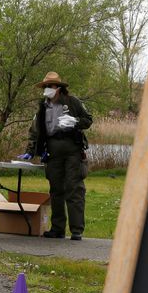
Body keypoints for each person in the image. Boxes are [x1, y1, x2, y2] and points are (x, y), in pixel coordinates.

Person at [19, 71, 92, 240]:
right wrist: (30, 151)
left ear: (58, 88)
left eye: (49, 86)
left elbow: (88, 119)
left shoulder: (73, 102)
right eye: (45, 86)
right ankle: (58, 228)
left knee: (74, 189)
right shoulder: (42, 107)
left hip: (72, 149)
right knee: (56, 190)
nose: (46, 89)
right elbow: (35, 131)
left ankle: (76, 230)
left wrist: (75, 122)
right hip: (52, 150)